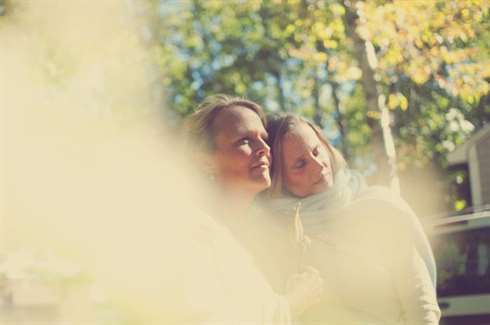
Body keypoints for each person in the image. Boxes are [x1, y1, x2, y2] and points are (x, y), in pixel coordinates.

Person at [263, 113, 441, 325]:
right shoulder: (277, 239)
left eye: (317, 151)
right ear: (280, 180)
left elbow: (419, 298)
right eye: (300, 164)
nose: (318, 165)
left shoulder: (377, 208)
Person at [182, 95, 323, 323]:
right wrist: (291, 304)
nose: (264, 149)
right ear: (205, 161)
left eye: (264, 138)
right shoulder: (191, 231)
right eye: (244, 141)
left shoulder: (255, 238)